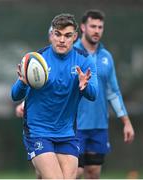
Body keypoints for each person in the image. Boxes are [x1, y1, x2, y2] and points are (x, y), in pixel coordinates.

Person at [11, 13, 98, 179]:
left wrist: (84, 86)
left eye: (67, 35)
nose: (62, 40)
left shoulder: (85, 61)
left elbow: (93, 95)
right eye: (57, 34)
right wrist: (22, 82)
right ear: (51, 35)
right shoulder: (37, 60)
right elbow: (15, 95)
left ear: (75, 36)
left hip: (66, 132)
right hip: (38, 131)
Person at [75, 9, 135, 179]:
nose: (97, 30)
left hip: (98, 125)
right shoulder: (72, 53)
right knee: (75, 172)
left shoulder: (106, 56)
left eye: (100, 27)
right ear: (83, 27)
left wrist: (126, 121)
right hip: (74, 126)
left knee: (93, 173)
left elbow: (113, 92)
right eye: (93, 26)